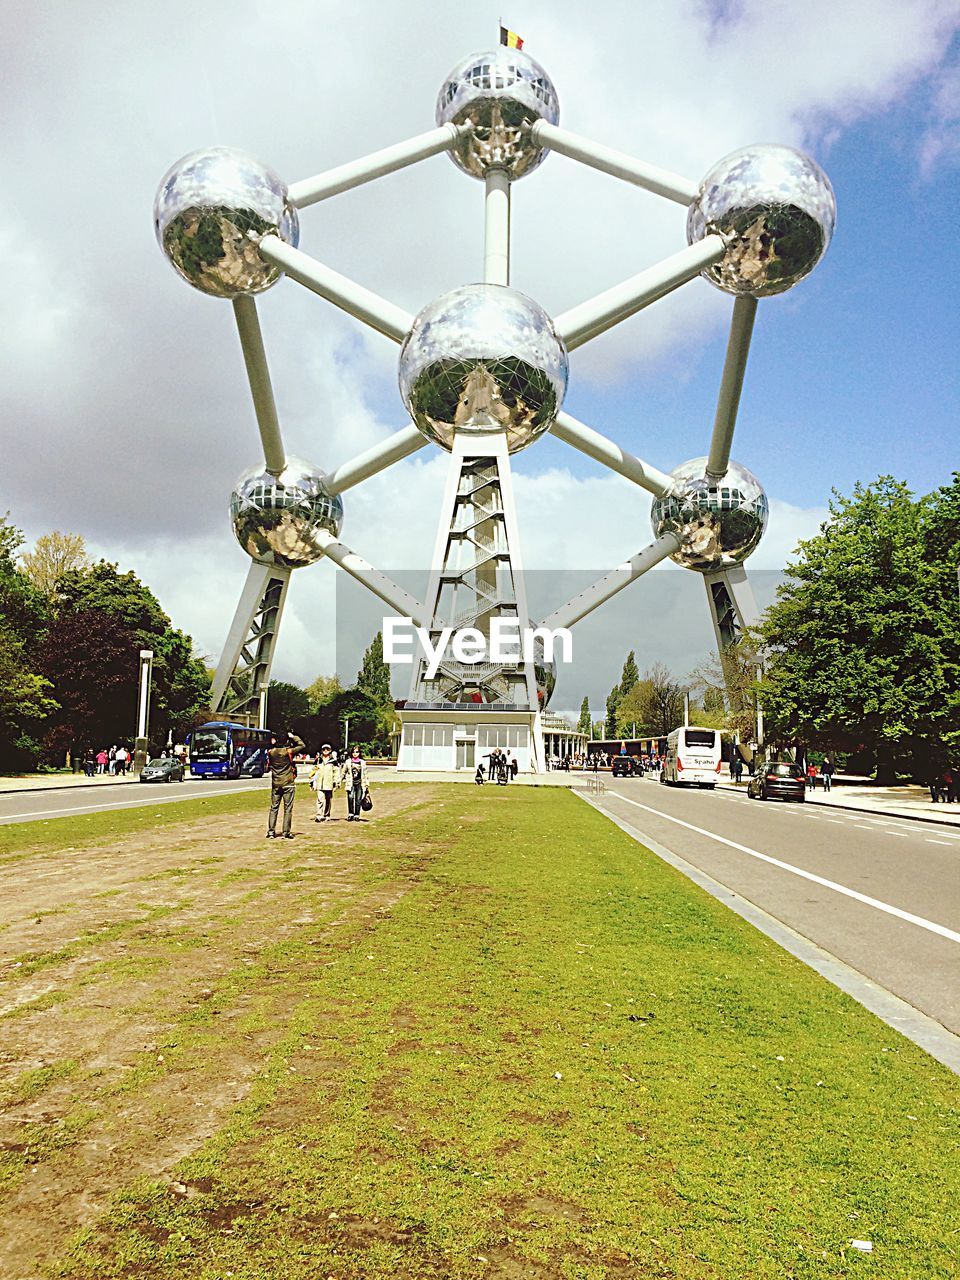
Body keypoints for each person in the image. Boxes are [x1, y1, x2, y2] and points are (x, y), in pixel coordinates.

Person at [266, 730, 305, 839]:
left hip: (276, 783)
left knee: (274, 808)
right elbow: (302, 745)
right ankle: (286, 832)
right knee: (287, 809)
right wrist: (294, 737)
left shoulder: (271, 752)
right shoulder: (288, 752)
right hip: (288, 783)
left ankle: (271, 831)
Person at [309, 744, 338, 822]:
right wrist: (311, 782)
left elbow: (336, 773)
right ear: (321, 750)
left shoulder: (333, 761)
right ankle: (319, 815)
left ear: (330, 750)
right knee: (320, 799)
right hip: (320, 784)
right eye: (324, 749)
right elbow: (313, 771)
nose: (326, 750)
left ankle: (327, 814)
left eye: (327, 749)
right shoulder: (318, 760)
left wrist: (336, 783)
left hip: (329, 784)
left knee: (328, 800)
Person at [342, 747, 368, 821]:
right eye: (353, 752)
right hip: (351, 783)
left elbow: (365, 774)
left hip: (360, 783)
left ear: (359, 753)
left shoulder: (362, 762)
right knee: (350, 798)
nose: (355, 753)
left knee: (358, 799)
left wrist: (366, 783)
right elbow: (343, 772)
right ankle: (351, 813)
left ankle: (357, 814)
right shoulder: (348, 762)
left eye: (357, 752)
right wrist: (338, 781)